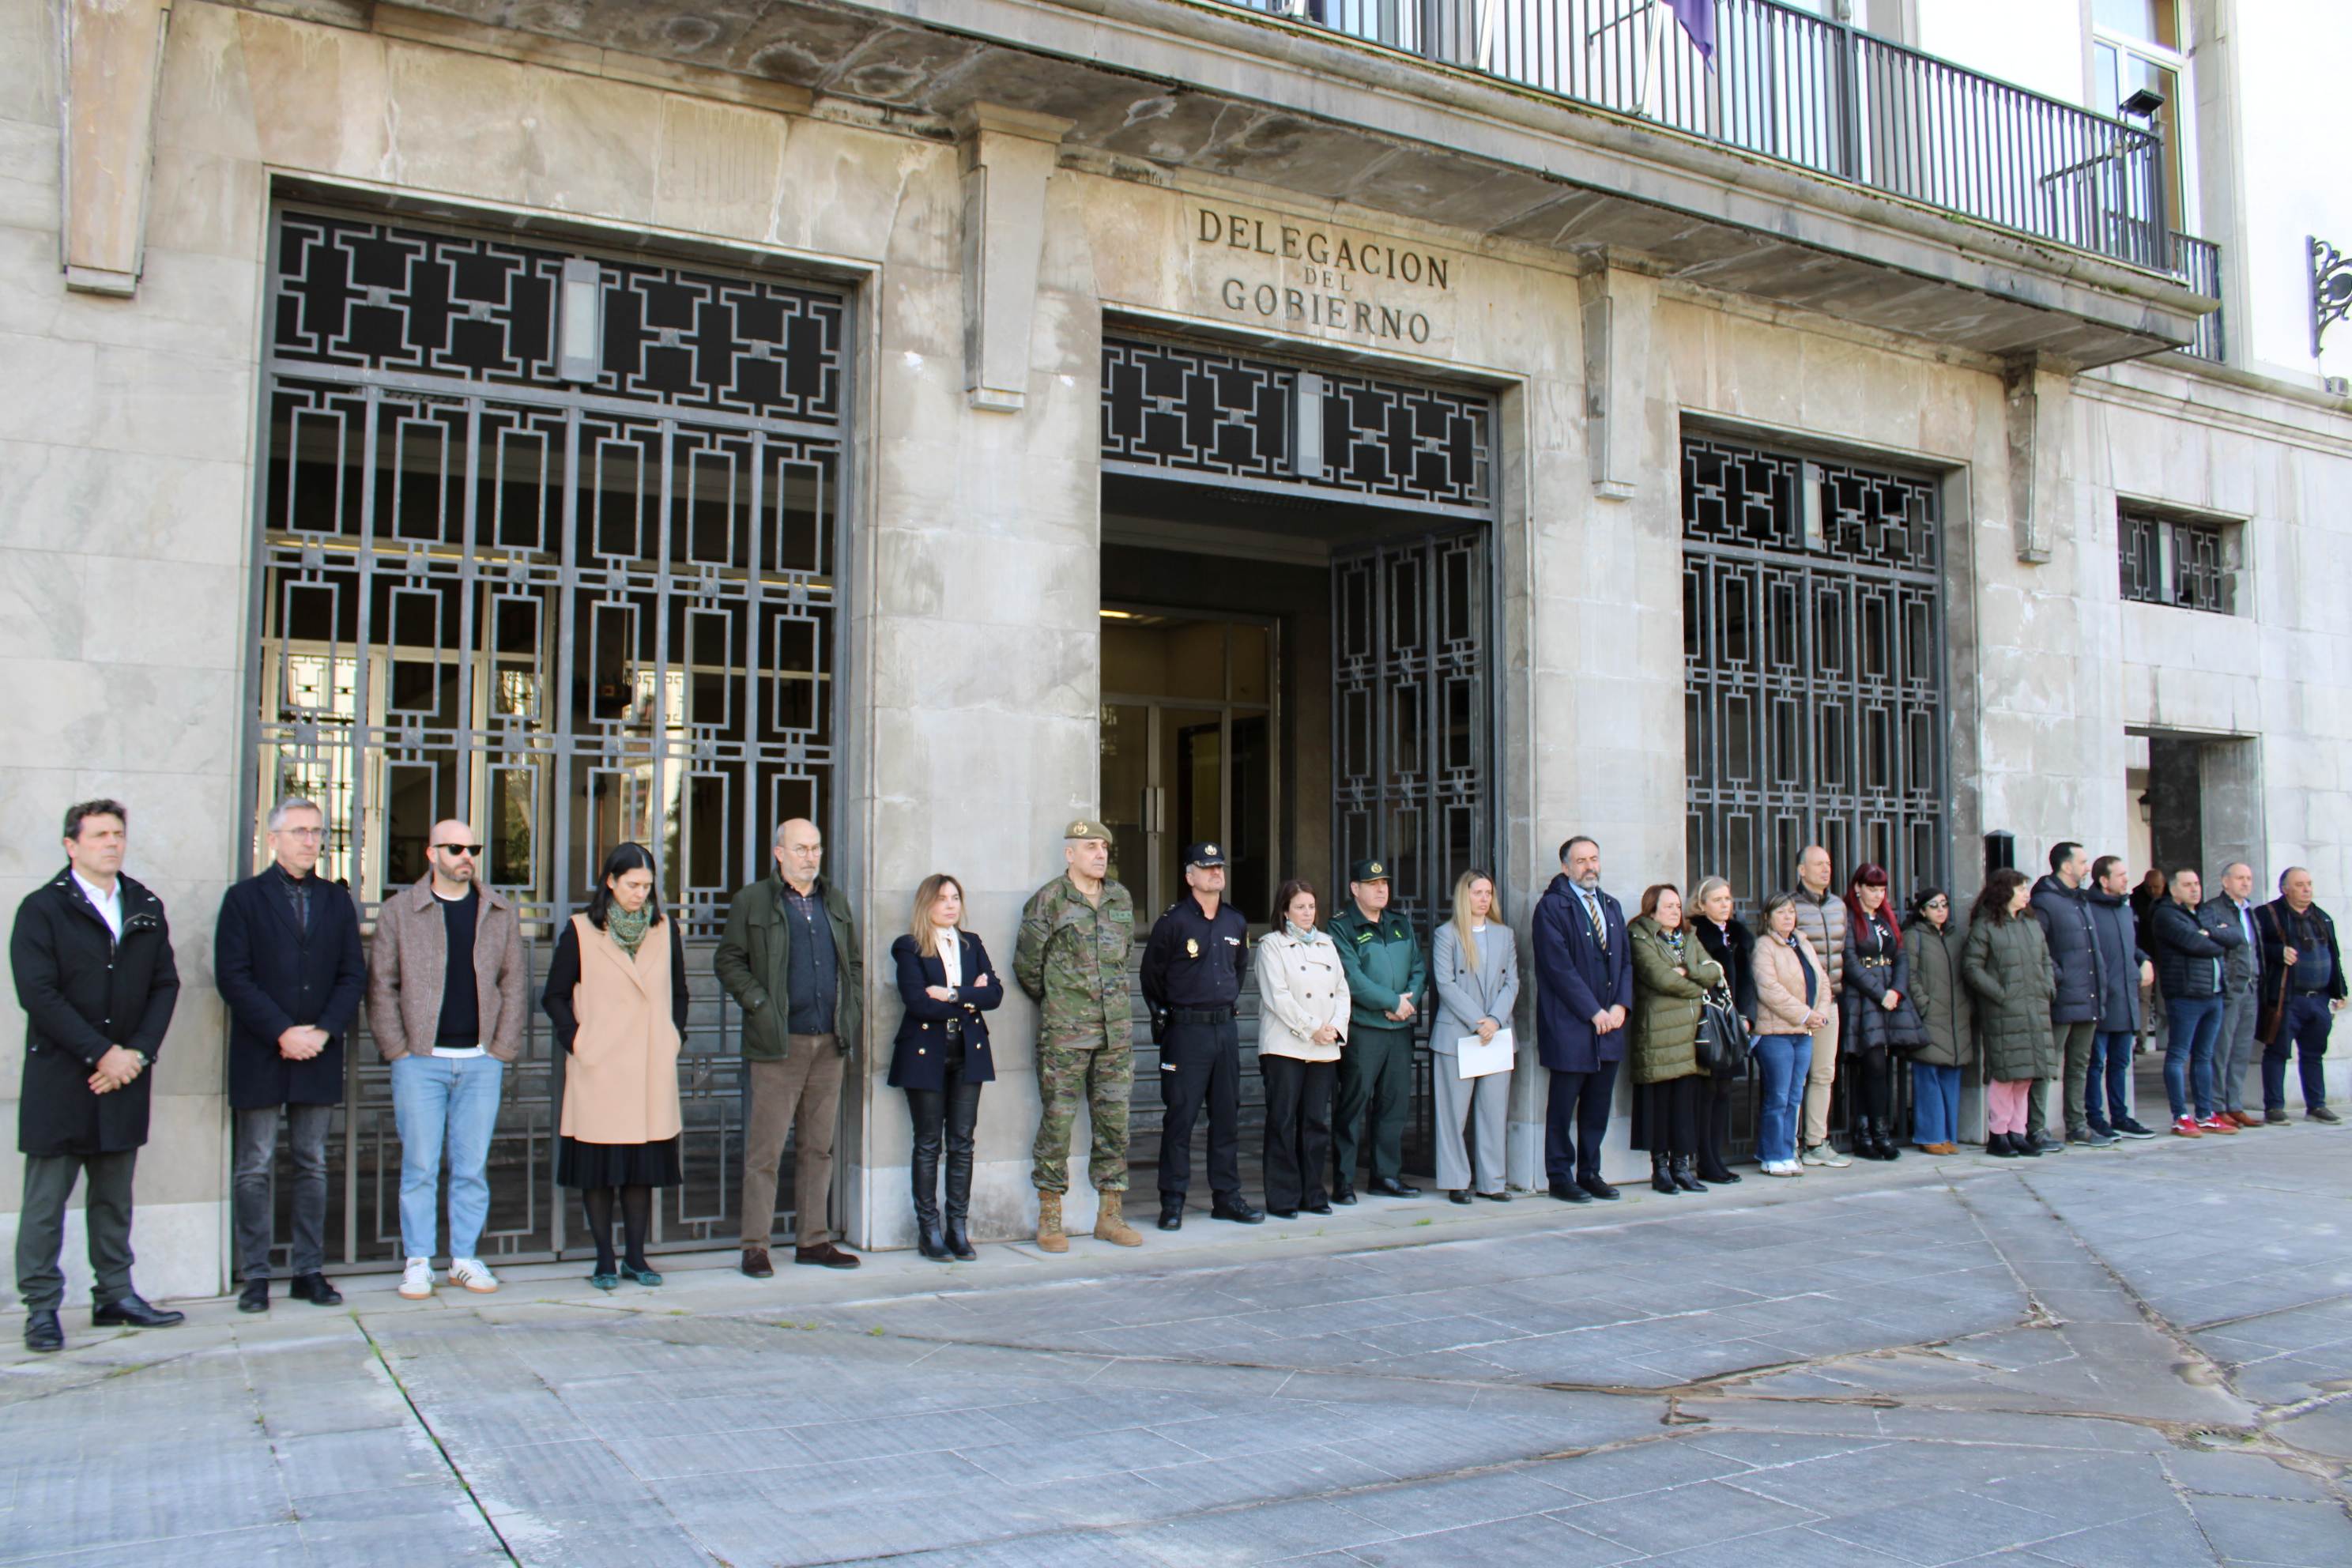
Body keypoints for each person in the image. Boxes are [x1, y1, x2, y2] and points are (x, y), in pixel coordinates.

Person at [12, 800, 183, 1353]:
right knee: (46, 1205)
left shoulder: (144, 905)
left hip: (125, 1077)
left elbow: (165, 985)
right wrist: (101, 1053)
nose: (112, 843)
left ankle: (115, 1294)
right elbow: (38, 994)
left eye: (118, 834)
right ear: (72, 846)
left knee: (114, 1199)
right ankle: (42, 1307)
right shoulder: (42, 909)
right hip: (62, 1080)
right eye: (99, 835)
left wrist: (136, 1055)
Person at [367, 818, 526, 1301]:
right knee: (419, 1165)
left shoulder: (498, 911)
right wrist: (397, 1049)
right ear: (431, 854)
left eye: (472, 847)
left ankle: (463, 1258)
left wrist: (500, 1049)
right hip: (420, 1060)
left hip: (479, 1061)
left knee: (471, 1167)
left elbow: (514, 983)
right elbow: (381, 985)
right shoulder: (400, 911)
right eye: (455, 848)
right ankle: (418, 1261)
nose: (466, 856)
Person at [216, 796, 364, 1314]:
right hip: (261, 1050)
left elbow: (352, 974)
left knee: (313, 1163)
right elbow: (233, 976)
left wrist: (323, 1031)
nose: (309, 840)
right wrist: (282, 1031)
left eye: (317, 831)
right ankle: (256, 1275)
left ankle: (308, 1271)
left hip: (318, 1051)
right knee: (254, 1165)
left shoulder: (336, 901)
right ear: (273, 838)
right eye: (299, 831)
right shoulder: (243, 899)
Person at [717, 817, 865, 1274]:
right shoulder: (753, 901)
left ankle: (813, 1241)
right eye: (801, 849)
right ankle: (755, 1246)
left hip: (829, 1043)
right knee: (765, 1152)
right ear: (779, 853)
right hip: (777, 1044)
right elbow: (728, 960)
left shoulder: (834, 901)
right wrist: (759, 1004)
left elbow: (853, 962)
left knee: (818, 1149)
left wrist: (852, 1007)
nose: (810, 857)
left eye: (816, 848)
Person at [544, 843, 688, 1290]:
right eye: (632, 885)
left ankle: (636, 1258)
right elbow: (554, 995)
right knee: (600, 1169)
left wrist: (673, 1037)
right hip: (600, 1067)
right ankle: (605, 1259)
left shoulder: (665, 930)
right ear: (610, 881)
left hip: (649, 1066)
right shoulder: (581, 931)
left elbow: (680, 992)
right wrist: (577, 1041)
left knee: (641, 1169)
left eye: (647, 886)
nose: (640, 894)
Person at [1014, 820, 1142, 1252]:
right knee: (1057, 1123)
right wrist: (1062, 1002)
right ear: (1070, 854)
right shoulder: (1049, 900)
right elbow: (1027, 967)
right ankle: (1050, 1216)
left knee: (1115, 1126)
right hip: (1066, 1035)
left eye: (1104, 847)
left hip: (1115, 1034)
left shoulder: (1120, 897)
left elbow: (1124, 955)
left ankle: (1110, 1215)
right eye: (1090, 847)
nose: (1100, 854)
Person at [1142, 842, 1262, 1231]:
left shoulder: (1235, 921)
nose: (1216, 873)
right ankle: (1173, 1201)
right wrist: (1173, 1013)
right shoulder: (1173, 922)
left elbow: (1239, 970)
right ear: (1189, 876)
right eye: (1207, 867)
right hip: (1186, 1031)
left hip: (1224, 1029)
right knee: (1180, 1118)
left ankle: (1226, 1197)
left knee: (1226, 1117)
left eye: (1219, 867)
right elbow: (1151, 977)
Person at [887, 873, 1002, 1261]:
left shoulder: (972, 943)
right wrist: (971, 998)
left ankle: (957, 1229)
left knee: (962, 1142)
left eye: (955, 897)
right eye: (941, 898)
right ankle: (929, 1231)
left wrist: (952, 994)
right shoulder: (909, 946)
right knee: (928, 1143)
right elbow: (918, 1003)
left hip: (969, 1051)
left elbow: (995, 994)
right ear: (926, 904)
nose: (951, 905)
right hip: (926, 1053)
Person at [1531, 835, 1631, 1204]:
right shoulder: (1551, 908)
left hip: (1609, 1028)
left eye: (1594, 859)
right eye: (1581, 861)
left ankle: (1590, 1173)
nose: (1590, 867)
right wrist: (1594, 1011)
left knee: (1597, 1108)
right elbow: (1559, 969)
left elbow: (1626, 963)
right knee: (1562, 1108)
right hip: (1571, 1026)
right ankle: (1560, 1177)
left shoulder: (1611, 905)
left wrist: (1621, 1006)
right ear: (1565, 867)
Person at [1329, 857, 1427, 1202]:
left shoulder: (1399, 923)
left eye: (1384, 883)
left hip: (1398, 1031)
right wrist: (1391, 1001)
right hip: (1364, 1029)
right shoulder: (1342, 927)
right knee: (1353, 1106)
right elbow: (1351, 978)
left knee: (1393, 1106)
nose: (1381, 889)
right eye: (1372, 885)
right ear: (1355, 889)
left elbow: (1418, 967)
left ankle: (1386, 1176)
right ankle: (1343, 1181)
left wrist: (1408, 1001)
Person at [1253, 879, 1348, 1218]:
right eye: (1299, 907)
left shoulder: (1327, 943)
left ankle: (1313, 1194)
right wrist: (1312, 1028)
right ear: (1285, 911)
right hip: (1285, 1045)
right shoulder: (1271, 945)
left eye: (1311, 907)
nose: (1307, 913)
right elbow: (1276, 996)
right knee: (1283, 1121)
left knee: (1315, 1122)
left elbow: (1342, 990)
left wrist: (1335, 1027)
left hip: (1324, 1046)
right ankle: (1283, 1198)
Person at [1627, 884, 1725, 1195]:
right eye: (1668, 906)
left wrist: (1688, 970)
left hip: (1689, 1035)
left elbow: (1714, 970)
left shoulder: (1689, 936)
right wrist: (1698, 987)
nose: (1675, 911)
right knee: (1660, 1105)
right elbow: (1661, 978)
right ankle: (1660, 1170)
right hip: (1658, 1034)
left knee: (1684, 1105)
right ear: (1652, 909)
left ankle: (1681, 1168)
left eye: (1678, 906)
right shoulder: (1640, 936)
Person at [1430, 870, 1519, 1204]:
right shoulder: (1446, 934)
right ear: (1463, 896)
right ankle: (1456, 1181)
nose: (1484, 899)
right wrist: (1478, 1021)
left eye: (1488, 893)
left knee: (1493, 1112)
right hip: (1458, 1034)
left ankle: (1492, 1182)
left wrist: (1494, 1020)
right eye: (1477, 892)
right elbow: (1446, 983)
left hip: (1496, 1034)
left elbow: (1512, 982)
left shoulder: (1504, 934)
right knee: (1454, 1115)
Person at [1964, 869, 2057, 1158]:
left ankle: (2018, 1132)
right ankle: (1999, 1134)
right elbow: (1972, 967)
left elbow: (2046, 960)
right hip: (2004, 1012)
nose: (2027, 894)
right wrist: (2001, 995)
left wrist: (2047, 988)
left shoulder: (2031, 924)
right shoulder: (1986, 926)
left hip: (2034, 1008)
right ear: (2005, 892)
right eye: (2022, 889)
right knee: (2005, 1074)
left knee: (2026, 1075)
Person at [2147, 867, 2244, 1138]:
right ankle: (2180, 1116)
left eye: (2197, 884)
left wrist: (2208, 933)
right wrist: (2215, 937)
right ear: (2174, 889)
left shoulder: (2205, 912)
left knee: (2204, 1056)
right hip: (2185, 995)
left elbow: (2236, 936)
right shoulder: (2166, 915)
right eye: (2188, 885)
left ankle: (2205, 1114)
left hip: (2214, 995)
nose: (2194, 889)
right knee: (2178, 1055)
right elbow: (2196, 944)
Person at [1839, 864, 1920, 1162]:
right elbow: (1849, 961)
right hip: (1863, 998)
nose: (1877, 895)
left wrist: (1896, 990)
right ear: (1858, 888)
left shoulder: (1886, 917)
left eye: (1881, 889)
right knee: (1870, 1063)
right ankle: (1867, 1134)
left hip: (1890, 997)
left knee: (1882, 1066)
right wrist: (1880, 992)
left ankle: (1879, 1132)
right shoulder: (1850, 918)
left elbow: (1901, 956)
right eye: (1872, 888)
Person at [2030, 842, 2105, 1151]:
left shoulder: (2080, 900)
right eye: (2083, 862)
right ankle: (2036, 1128)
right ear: (2066, 866)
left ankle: (2077, 1125)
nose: (2087, 868)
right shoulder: (2045, 901)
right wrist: (2059, 978)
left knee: (2079, 1064)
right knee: (2047, 1065)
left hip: (2088, 995)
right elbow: (2038, 947)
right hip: (2062, 997)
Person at [2257, 867, 2346, 1123]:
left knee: (2314, 1053)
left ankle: (2316, 1105)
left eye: (2309, 884)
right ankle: (2274, 1107)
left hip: (2318, 998)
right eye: (2300, 885)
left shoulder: (2322, 917)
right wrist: (2277, 952)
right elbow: (2253, 948)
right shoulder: (2269, 914)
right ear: (2285, 889)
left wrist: (2340, 990)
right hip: (2287, 998)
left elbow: (2334, 954)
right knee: (2277, 1052)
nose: (2307, 889)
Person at [1750, 891, 1828, 1177]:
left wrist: (1819, 1013)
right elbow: (1769, 990)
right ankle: (1771, 1155)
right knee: (1778, 1097)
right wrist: (1805, 1014)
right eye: (1781, 912)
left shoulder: (1802, 943)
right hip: (1775, 1033)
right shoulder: (1764, 946)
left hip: (1803, 1032)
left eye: (1791, 912)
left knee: (1795, 1096)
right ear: (1768, 917)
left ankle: (1787, 1151)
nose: (1787, 917)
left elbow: (1822, 980)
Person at [2083, 854, 2158, 1140]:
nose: (2127, 879)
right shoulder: (2088, 909)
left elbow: (2129, 946)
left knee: (2120, 1063)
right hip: (2101, 1000)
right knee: (2095, 1064)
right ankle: (2095, 1117)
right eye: (2121, 875)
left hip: (2126, 998)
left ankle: (2121, 1116)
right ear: (2104, 881)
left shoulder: (2126, 911)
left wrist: (2144, 959)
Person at [1688, 878, 1755, 1185]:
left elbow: (1748, 980)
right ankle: (1705, 1159)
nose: (1725, 905)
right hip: (1711, 1021)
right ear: (1702, 905)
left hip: (1733, 1022)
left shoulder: (1737, 935)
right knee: (1708, 1091)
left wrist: (1746, 1016)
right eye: (1717, 900)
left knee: (1725, 1090)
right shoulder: (1697, 935)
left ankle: (1717, 1156)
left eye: (1727, 899)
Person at [1789, 846, 1849, 1167]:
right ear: (1802, 870)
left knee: (1824, 1074)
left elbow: (1844, 951)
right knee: (1795, 1076)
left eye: (1828, 863)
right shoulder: (1791, 906)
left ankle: (1816, 1141)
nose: (1826, 870)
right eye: (1818, 864)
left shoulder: (1838, 906)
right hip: (1800, 1006)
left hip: (1831, 1002)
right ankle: (1790, 1143)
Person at [1901, 888, 1970, 1155]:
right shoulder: (1914, 936)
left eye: (1944, 905)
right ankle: (1930, 1135)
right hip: (1930, 1015)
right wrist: (1924, 1004)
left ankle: (1948, 1135)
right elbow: (1909, 974)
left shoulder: (1954, 936)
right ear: (1922, 910)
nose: (1941, 911)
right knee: (1928, 1074)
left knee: (1951, 1074)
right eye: (1934, 906)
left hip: (1955, 1016)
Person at [2202, 862, 2266, 1129]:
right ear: (2225, 882)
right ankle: (2218, 1106)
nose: (2246, 882)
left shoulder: (2249, 911)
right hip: (2230, 988)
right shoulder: (2213, 909)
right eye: (2240, 878)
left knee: (2241, 1050)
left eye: (2248, 878)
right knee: (2222, 1049)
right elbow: (2210, 940)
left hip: (2251, 987)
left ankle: (2235, 1105)